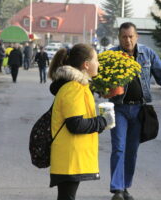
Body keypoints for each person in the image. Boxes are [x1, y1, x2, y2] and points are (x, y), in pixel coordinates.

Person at [108, 22, 161, 200]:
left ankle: (125, 186)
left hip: (139, 110)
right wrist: (104, 89)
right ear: (119, 38)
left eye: (131, 36)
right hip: (119, 108)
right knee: (118, 148)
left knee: (131, 151)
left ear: (136, 37)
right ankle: (117, 189)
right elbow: (97, 78)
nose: (127, 40)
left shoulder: (147, 53)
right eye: (124, 37)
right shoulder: (111, 56)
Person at [47, 43, 115, 200]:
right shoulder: (74, 88)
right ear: (86, 64)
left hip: (70, 156)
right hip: (70, 157)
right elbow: (75, 125)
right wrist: (103, 121)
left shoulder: (78, 86)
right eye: (96, 59)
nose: (98, 63)